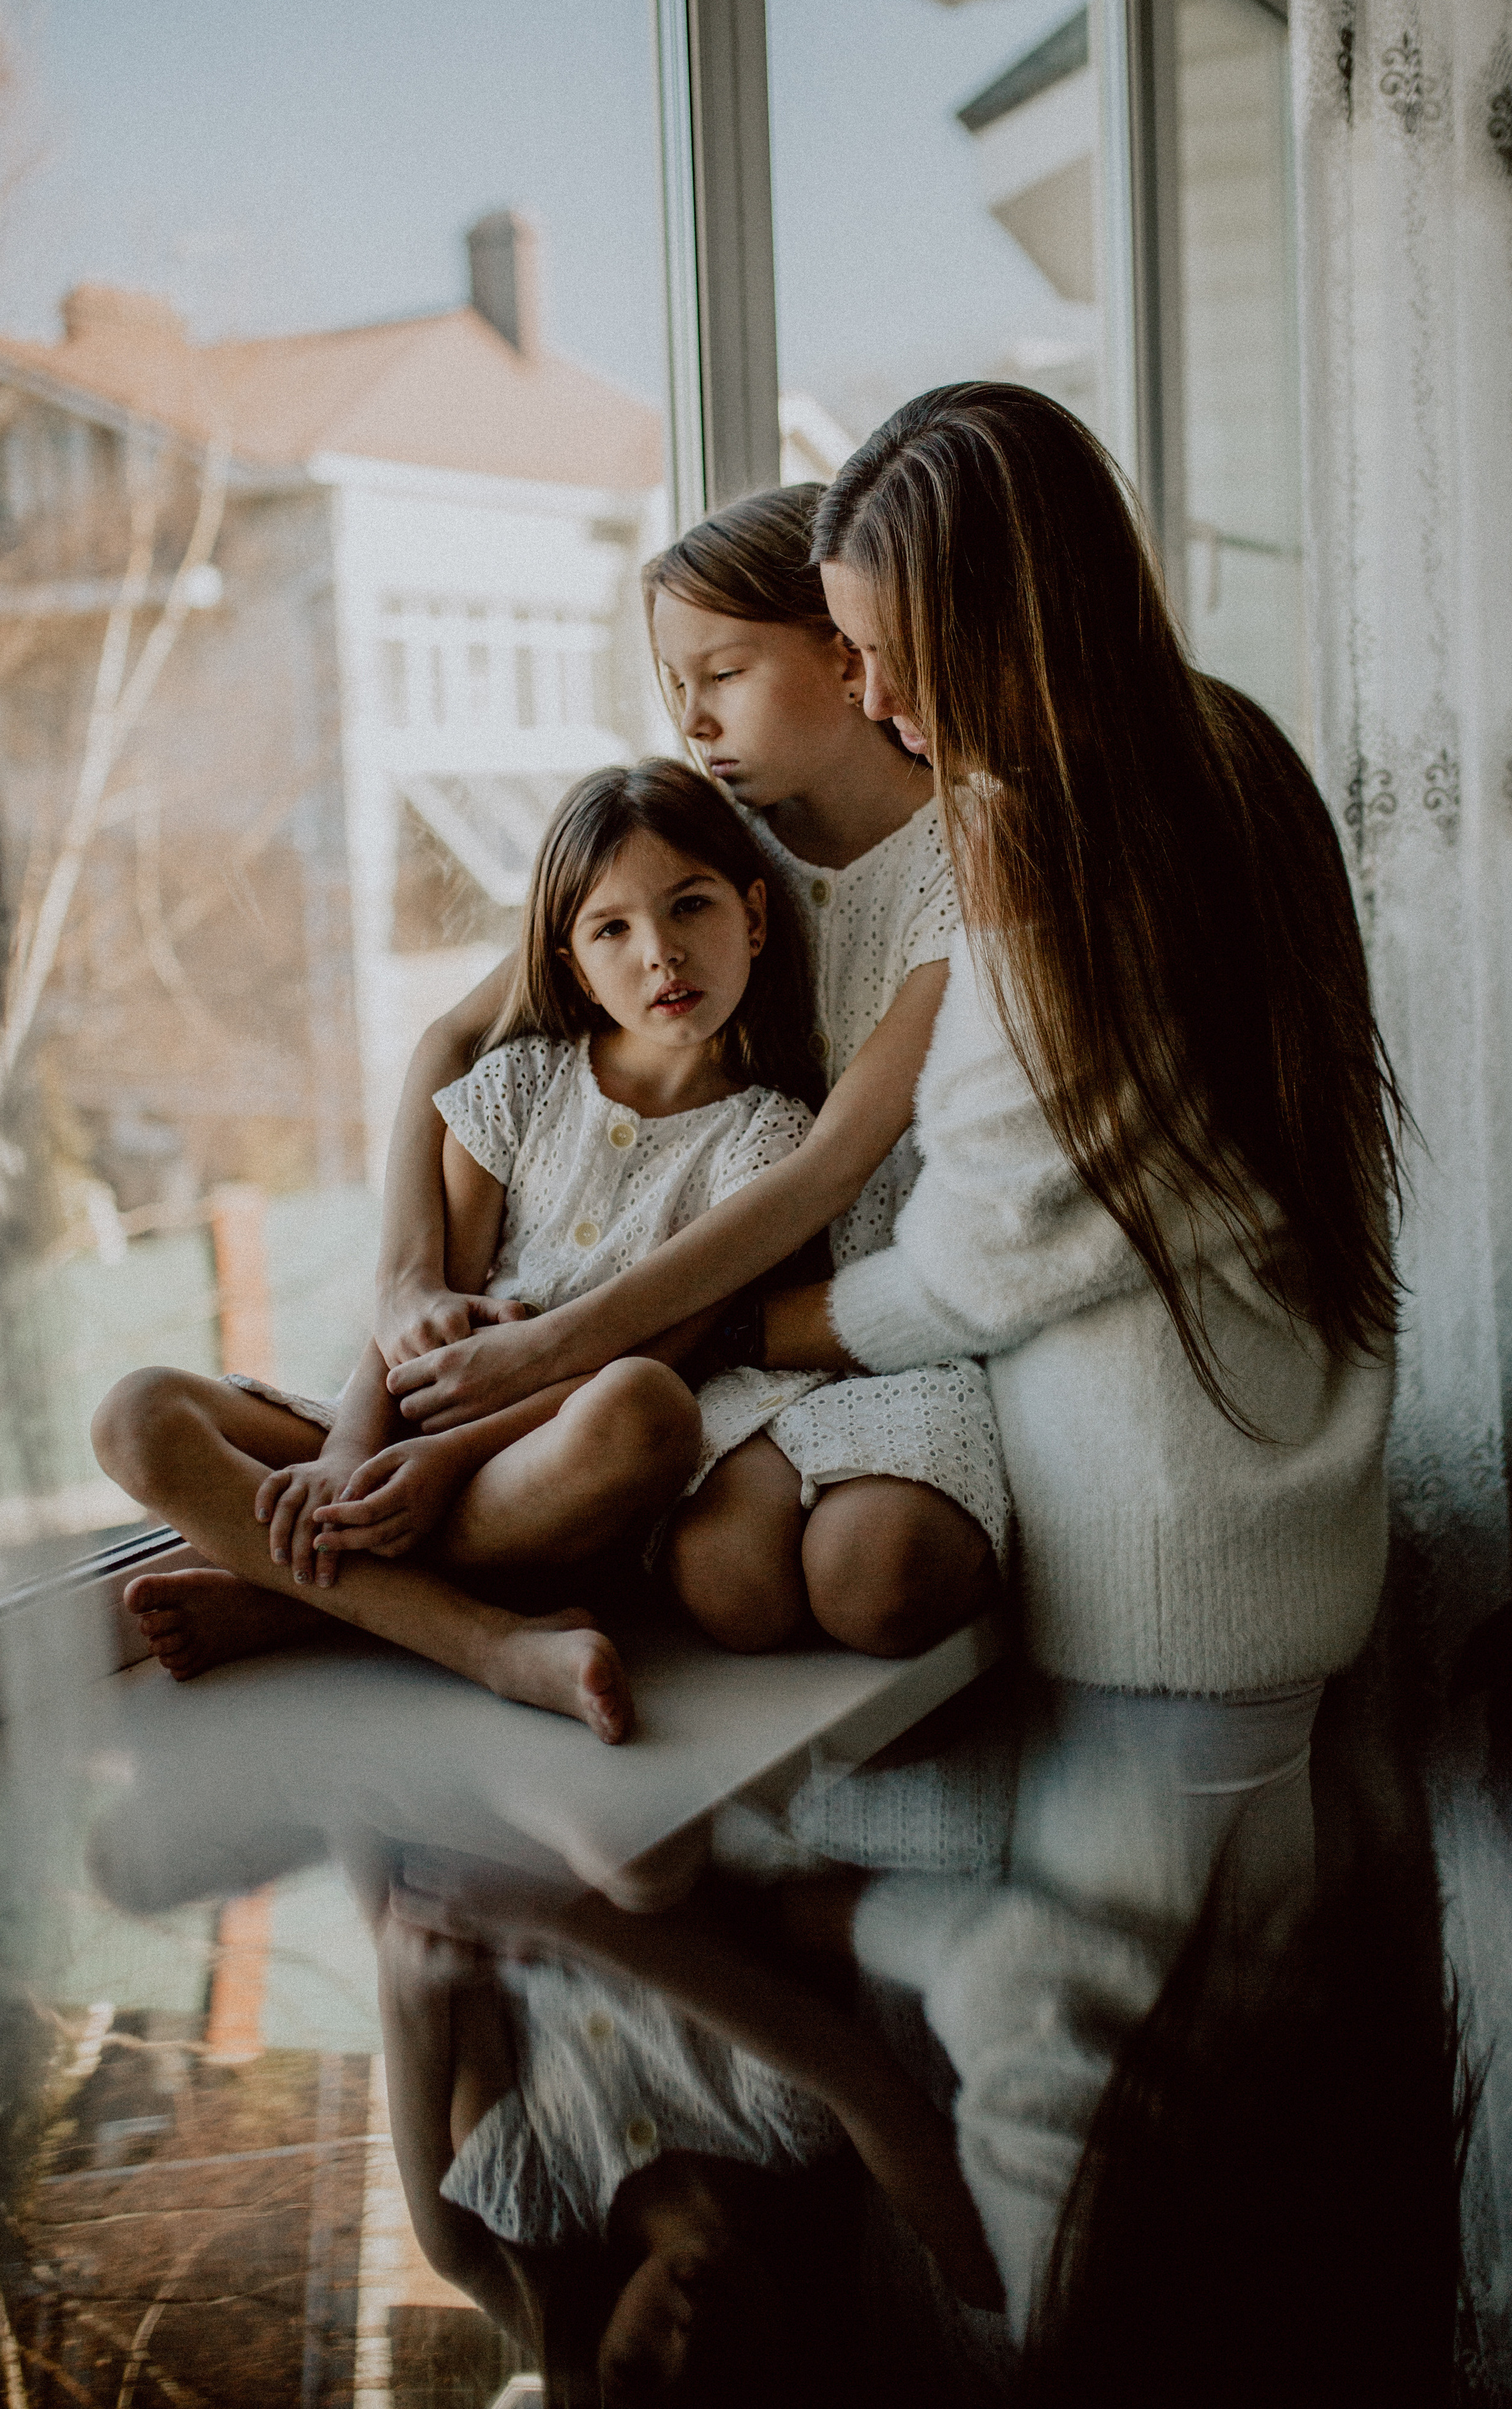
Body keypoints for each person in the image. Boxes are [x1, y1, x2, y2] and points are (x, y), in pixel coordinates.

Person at [360, 385, 1402, 2172]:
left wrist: (751, 1327)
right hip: (1284, 1499)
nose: (886, 706)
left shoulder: (1030, 828)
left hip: (1159, 1536)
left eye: (889, 655)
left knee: (1092, 2159)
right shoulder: (1229, 752)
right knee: (1223, 2105)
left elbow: (1002, 1240)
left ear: (1003, 620)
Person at [350, 484, 1009, 1658]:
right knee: (730, 1589)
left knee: (875, 1580)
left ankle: (342, 1590)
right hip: (695, 1329)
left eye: (724, 675)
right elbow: (452, 1042)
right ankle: (358, 1583)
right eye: (675, 689)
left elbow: (822, 1176)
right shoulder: (706, 843)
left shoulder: (972, 852)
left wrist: (552, 1345)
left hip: (856, 1313)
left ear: (849, 653)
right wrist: (405, 1284)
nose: (695, 723)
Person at [93, 760, 848, 1740]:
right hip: (401, 1430)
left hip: (546, 1467)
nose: (660, 954)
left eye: (689, 906)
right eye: (612, 929)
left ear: (753, 917)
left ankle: (318, 1605)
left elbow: (664, 1348)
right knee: (136, 1415)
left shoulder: (769, 1143)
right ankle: (476, 1639)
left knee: (645, 1408)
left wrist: (448, 1461)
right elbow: (417, 1303)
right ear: (572, 963)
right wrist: (357, 1454)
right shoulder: (521, 1085)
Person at [368, 1861, 1003, 2402]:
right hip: (634, 1845)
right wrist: (559, 1917)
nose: (686, 2335)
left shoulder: (531, 2192)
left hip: (474, 1859)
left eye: (635, 2371)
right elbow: (838, 2060)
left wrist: (421, 1953)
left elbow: (450, 1965)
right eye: (721, 2383)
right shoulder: (791, 2123)